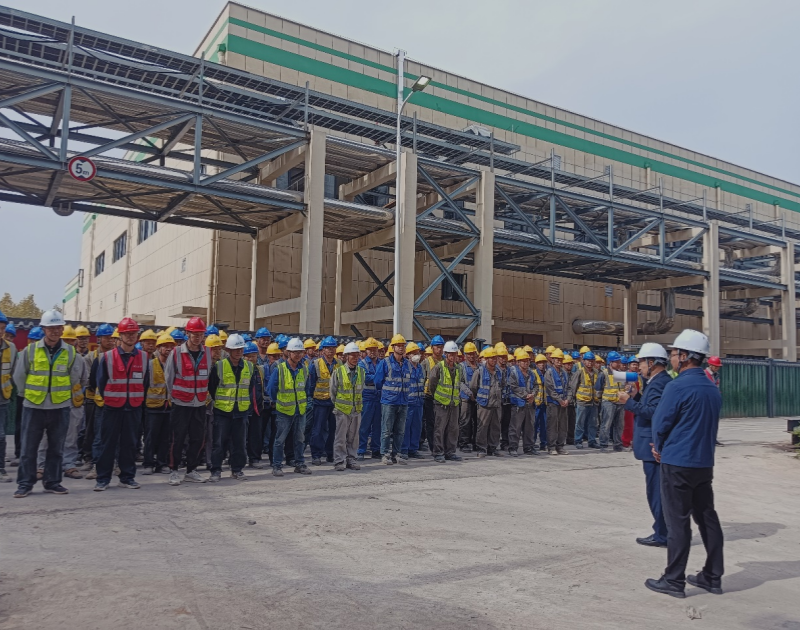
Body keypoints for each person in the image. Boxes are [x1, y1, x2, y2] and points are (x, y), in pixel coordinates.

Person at [645, 329, 724, 598]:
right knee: (707, 518)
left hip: (677, 462)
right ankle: (712, 576)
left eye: (674, 353)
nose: (672, 358)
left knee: (677, 522)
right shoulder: (711, 388)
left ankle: (674, 579)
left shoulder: (676, 386)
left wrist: (658, 447)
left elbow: (661, 423)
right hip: (703, 463)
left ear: (686, 356)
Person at [13, 310, 83, 497]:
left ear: (62, 329)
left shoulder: (70, 352)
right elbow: (19, 376)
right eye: (51, 328)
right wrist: (28, 395)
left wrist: (61, 395)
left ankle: (52, 482)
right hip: (33, 406)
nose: (55, 331)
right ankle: (25, 484)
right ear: (43, 329)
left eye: (58, 327)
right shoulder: (30, 350)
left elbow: (74, 377)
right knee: (28, 449)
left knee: (56, 448)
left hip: (60, 407)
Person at [617, 343, 671, 548]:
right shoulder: (655, 381)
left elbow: (653, 412)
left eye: (641, 362)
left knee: (656, 492)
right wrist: (635, 397)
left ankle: (662, 534)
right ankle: (663, 531)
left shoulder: (659, 383)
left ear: (652, 362)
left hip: (651, 445)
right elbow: (649, 405)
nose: (638, 366)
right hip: (650, 444)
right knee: (656, 491)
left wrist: (628, 402)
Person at [92, 317, 149, 491]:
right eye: (127, 333)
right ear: (120, 335)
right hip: (112, 407)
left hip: (133, 407)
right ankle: (103, 479)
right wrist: (114, 397)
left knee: (129, 444)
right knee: (107, 444)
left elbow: (145, 383)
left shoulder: (144, 357)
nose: (131, 336)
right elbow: (100, 382)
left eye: (133, 333)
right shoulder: (107, 357)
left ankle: (127, 477)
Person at [164, 316, 212, 486]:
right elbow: (169, 378)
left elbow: (208, 376)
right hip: (181, 403)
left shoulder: (207, 353)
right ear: (187, 333)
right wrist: (176, 396)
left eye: (200, 334)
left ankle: (191, 470)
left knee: (198, 438)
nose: (198, 337)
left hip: (199, 403)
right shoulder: (177, 352)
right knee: (178, 438)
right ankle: (174, 470)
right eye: (194, 334)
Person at [36, 325, 88, 481]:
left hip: (73, 403)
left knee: (71, 437)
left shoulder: (79, 359)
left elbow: (84, 380)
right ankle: (41, 466)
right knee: (46, 437)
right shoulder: (50, 357)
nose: (69, 343)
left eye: (72, 340)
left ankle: (69, 465)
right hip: (52, 403)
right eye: (66, 340)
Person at [208, 334, 255, 482]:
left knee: (239, 443)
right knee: (219, 443)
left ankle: (237, 469)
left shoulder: (249, 367)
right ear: (228, 350)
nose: (239, 352)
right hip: (222, 411)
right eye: (236, 349)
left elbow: (250, 388)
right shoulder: (219, 366)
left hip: (241, 411)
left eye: (241, 349)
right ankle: (216, 470)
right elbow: (212, 388)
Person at [267, 337, 312, 476]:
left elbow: (307, 389)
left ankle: (299, 464)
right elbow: (271, 389)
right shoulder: (280, 369)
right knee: (280, 440)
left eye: (300, 352)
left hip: (300, 410)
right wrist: (278, 402)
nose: (298, 355)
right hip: (284, 411)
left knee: (300, 439)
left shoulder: (304, 369)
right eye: (295, 352)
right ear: (288, 353)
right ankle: (277, 466)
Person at [374, 334, 412, 465]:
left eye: (403, 346)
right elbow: (377, 381)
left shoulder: (407, 364)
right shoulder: (385, 363)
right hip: (389, 402)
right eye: (398, 346)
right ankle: (385, 454)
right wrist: (387, 394)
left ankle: (397, 454)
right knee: (386, 430)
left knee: (400, 431)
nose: (401, 348)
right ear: (393, 347)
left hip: (403, 401)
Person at [427, 341, 467, 463]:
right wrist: (437, 397)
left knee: (453, 429)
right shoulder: (439, 367)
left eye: (455, 354)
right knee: (439, 429)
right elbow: (432, 384)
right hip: (441, 404)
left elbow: (461, 382)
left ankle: (450, 452)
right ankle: (438, 453)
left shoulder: (459, 368)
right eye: (451, 354)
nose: (453, 356)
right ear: (446, 354)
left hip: (454, 403)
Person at [143, 333, 175, 475]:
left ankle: (162, 463)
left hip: (168, 406)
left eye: (170, 347)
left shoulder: (174, 365)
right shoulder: (150, 365)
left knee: (165, 438)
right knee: (150, 437)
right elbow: (144, 385)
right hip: (153, 407)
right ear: (158, 348)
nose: (168, 349)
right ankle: (148, 463)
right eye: (165, 346)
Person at [329, 342, 364, 471]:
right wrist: (339, 406)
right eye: (352, 355)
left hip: (356, 410)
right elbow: (332, 392)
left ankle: (351, 460)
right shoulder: (338, 372)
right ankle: (339, 461)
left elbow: (360, 390)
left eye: (357, 355)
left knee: (354, 437)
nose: (355, 358)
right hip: (342, 410)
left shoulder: (361, 372)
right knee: (340, 437)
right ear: (346, 356)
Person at [307, 336, 341, 465]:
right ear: (323, 350)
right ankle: (316, 455)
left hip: (334, 402)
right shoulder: (315, 364)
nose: (331, 350)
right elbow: (311, 384)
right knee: (318, 429)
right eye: (328, 348)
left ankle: (330, 454)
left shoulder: (339, 364)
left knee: (334, 430)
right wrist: (311, 399)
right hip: (320, 402)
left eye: (333, 348)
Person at [471, 346, 504, 457]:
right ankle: (481, 448)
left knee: (495, 427)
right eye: (491, 358)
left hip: (496, 404)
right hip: (484, 404)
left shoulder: (499, 372)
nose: (494, 360)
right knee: (483, 426)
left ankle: (492, 448)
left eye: (495, 358)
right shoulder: (479, 371)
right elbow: (473, 387)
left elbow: (503, 384)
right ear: (487, 359)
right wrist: (479, 398)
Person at [507, 348, 539, 457]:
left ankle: (528, 447)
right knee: (515, 427)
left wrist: (533, 395)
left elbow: (536, 386)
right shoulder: (513, 372)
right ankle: (513, 448)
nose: (526, 363)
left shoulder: (531, 373)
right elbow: (513, 386)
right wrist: (526, 395)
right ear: (518, 362)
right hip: (518, 404)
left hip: (529, 404)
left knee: (529, 427)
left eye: (527, 361)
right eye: (523, 361)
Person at [357, 337, 383, 460]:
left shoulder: (382, 363)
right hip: (367, 398)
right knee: (364, 426)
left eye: (374, 349)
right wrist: (378, 377)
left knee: (378, 426)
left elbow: (383, 376)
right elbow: (366, 378)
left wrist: (375, 377)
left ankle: (376, 450)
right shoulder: (361, 364)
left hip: (379, 397)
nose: (372, 352)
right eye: (370, 349)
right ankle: (361, 450)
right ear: (366, 351)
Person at [595, 351, 626, 452]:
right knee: (606, 424)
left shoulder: (621, 374)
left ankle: (618, 445)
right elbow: (598, 388)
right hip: (608, 402)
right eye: (617, 362)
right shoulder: (604, 373)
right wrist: (601, 400)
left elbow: (624, 387)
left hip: (620, 403)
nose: (619, 363)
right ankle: (603, 445)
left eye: (619, 361)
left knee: (619, 425)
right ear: (611, 362)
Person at [0, 309, 17, 482]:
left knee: (1, 435)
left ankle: (0, 469)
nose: (0, 331)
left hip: (2, 399)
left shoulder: (11, 348)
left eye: (2, 328)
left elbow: (14, 373)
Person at [400, 341, 426, 460]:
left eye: (418, 353)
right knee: (406, 427)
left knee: (417, 426)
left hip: (419, 402)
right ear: (408, 355)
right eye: (414, 353)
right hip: (408, 402)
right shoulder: (404, 367)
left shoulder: (420, 367)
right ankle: (404, 449)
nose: (417, 355)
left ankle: (413, 449)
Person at [570, 351, 599, 449]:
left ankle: (592, 441)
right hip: (582, 402)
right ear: (584, 361)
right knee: (580, 423)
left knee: (593, 423)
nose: (590, 363)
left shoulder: (596, 372)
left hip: (593, 402)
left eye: (592, 361)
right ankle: (578, 440)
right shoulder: (579, 372)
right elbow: (573, 386)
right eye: (588, 361)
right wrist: (574, 399)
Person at [421, 335, 445, 451]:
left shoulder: (446, 362)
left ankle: (441, 445)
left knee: (441, 424)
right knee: (430, 423)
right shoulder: (426, 363)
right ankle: (433, 447)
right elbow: (421, 380)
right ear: (432, 348)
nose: (439, 349)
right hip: (429, 397)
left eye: (441, 347)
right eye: (437, 347)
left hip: (443, 398)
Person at [544, 349, 569, 455]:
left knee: (563, 425)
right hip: (553, 403)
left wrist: (567, 399)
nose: (559, 361)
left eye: (560, 359)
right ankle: (551, 447)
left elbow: (569, 387)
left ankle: (560, 446)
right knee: (552, 425)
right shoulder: (549, 372)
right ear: (552, 360)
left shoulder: (564, 373)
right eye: (557, 359)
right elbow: (550, 388)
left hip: (563, 403)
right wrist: (559, 400)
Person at [458, 341, 479, 452]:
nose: (471, 356)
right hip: (466, 398)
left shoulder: (480, 367)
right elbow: (460, 382)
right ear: (465, 355)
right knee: (465, 421)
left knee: (478, 422)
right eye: (469, 354)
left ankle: (476, 443)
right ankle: (464, 443)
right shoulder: (461, 367)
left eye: (473, 354)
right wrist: (469, 393)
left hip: (478, 399)